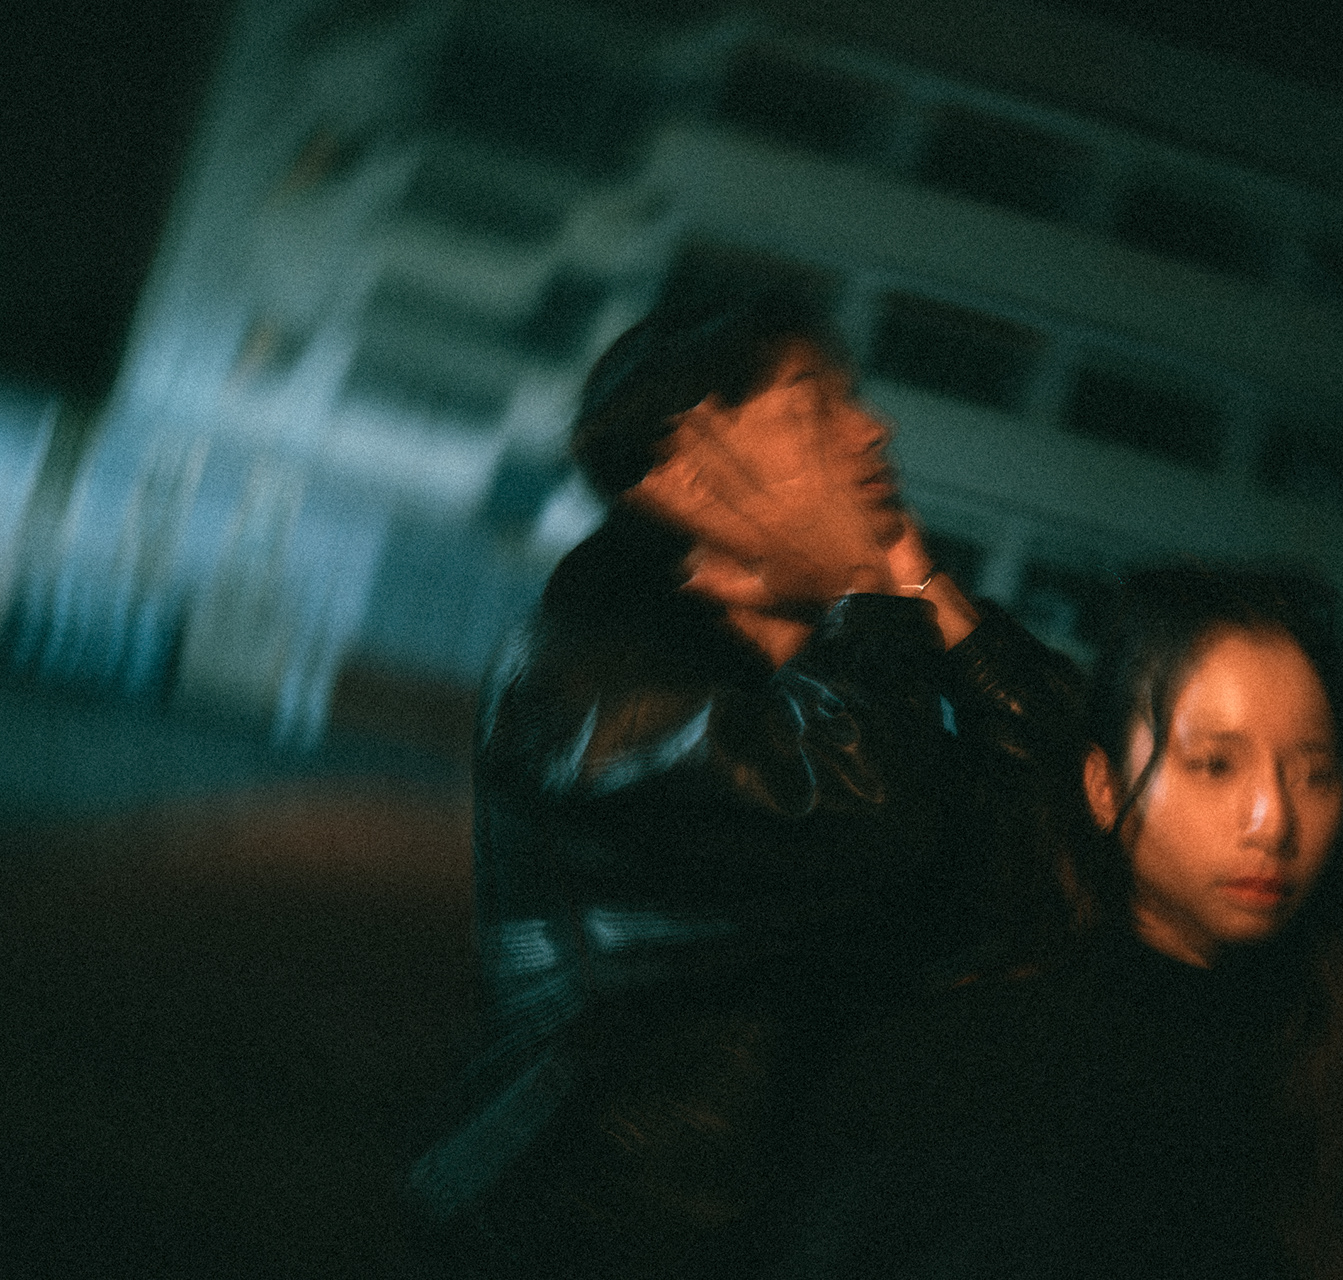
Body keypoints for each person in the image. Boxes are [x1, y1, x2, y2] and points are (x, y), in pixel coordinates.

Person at [408, 288, 1082, 1278]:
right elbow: (859, 819)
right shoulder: (584, 681)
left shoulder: (839, 678)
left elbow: (1062, 820)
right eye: (815, 405)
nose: (873, 428)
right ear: (691, 473)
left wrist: (920, 586)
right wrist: (864, 588)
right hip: (600, 1223)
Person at [785, 566, 1343, 1280]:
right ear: (1104, 787)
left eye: (1316, 774)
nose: (1274, 821)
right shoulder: (968, 1063)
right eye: (1215, 764)